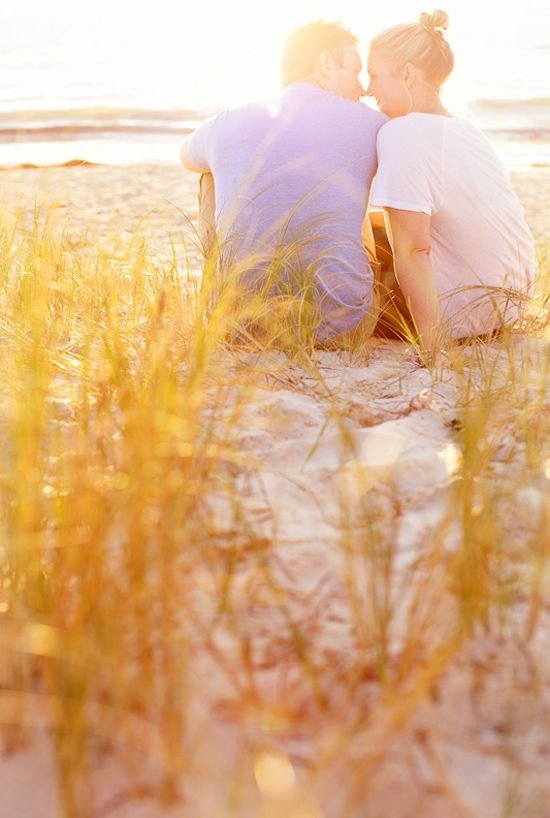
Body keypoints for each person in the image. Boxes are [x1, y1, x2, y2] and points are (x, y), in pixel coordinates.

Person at [180, 21, 387, 347]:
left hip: (243, 326)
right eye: (355, 71)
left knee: (209, 174)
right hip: (341, 328)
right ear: (325, 63)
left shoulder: (227, 120)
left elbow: (186, 157)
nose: (361, 87)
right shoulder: (373, 123)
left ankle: (224, 297)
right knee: (344, 192)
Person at [366, 10, 535, 353]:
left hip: (458, 315)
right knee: (379, 222)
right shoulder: (466, 129)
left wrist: (431, 343)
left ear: (408, 74)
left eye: (375, 76)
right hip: (508, 303)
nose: (369, 90)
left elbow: (415, 247)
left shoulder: (402, 132)